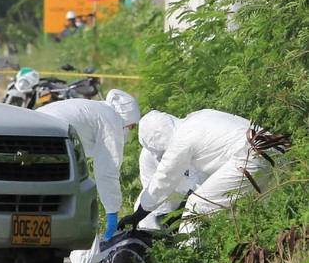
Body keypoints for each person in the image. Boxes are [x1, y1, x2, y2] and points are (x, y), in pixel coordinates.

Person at [118, 109, 291, 236]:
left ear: (157, 141)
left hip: (250, 155)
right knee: (264, 207)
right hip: (273, 147)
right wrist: (176, 213)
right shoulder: (198, 117)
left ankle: (190, 261)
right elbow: (203, 180)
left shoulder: (180, 142)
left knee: (197, 206)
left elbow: (162, 183)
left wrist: (136, 216)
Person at [37, 89, 141, 240]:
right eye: (131, 127)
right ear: (125, 119)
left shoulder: (96, 109)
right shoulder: (111, 120)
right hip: (51, 136)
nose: (129, 131)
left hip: (33, 124)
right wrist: (112, 214)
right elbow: (107, 171)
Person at [134, 111, 201, 231]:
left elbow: (202, 179)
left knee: (191, 228)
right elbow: (152, 189)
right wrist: (164, 217)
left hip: (196, 193)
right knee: (145, 215)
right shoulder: (147, 156)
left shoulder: (190, 140)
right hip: (168, 197)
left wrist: (182, 210)